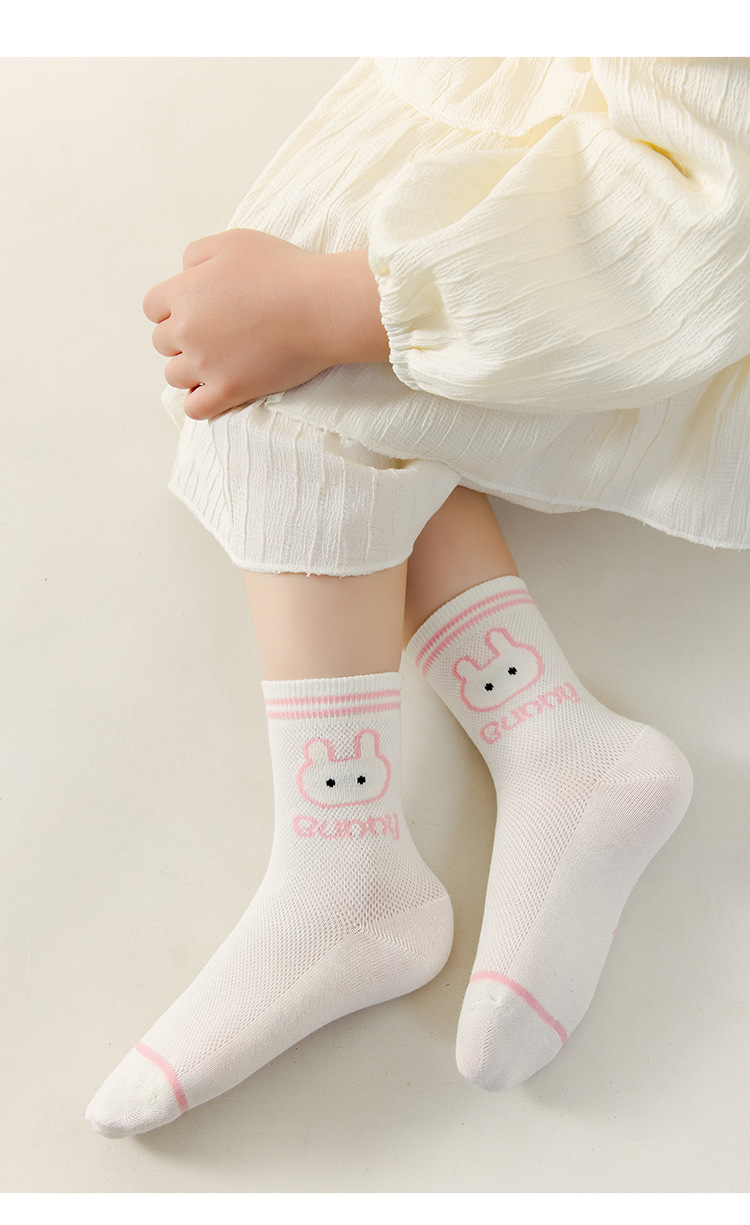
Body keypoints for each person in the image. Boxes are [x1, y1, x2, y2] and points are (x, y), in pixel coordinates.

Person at [86, 57, 749, 1137]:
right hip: (552, 157)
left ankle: (347, 855)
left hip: (650, 291)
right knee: (280, 359)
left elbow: (711, 223)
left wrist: (337, 308)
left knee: (280, 391)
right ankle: (542, 732)